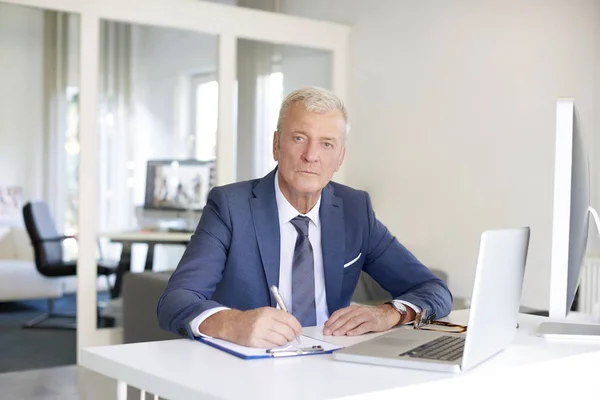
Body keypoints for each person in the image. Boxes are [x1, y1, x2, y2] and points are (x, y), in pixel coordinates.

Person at [157, 86, 452, 348]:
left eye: (326, 144)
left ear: (339, 157)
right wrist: (233, 322)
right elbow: (177, 300)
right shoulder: (231, 206)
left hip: (331, 363)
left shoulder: (355, 209)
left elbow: (433, 289)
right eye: (299, 138)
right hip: (250, 369)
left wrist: (388, 313)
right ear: (276, 145)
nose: (311, 155)